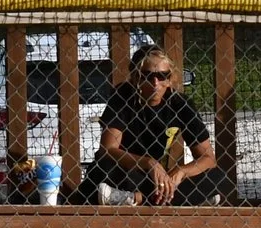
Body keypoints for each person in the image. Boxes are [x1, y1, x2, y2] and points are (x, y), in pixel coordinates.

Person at [92, 45, 228, 205]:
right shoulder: (123, 97)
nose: (155, 82)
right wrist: (149, 163)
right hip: (129, 170)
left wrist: (181, 171)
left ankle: (136, 199)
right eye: (147, 76)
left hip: (159, 179)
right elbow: (107, 149)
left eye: (162, 76)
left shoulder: (180, 104)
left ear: (170, 79)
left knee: (218, 177)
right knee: (103, 170)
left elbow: (208, 158)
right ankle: (184, 199)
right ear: (136, 78)